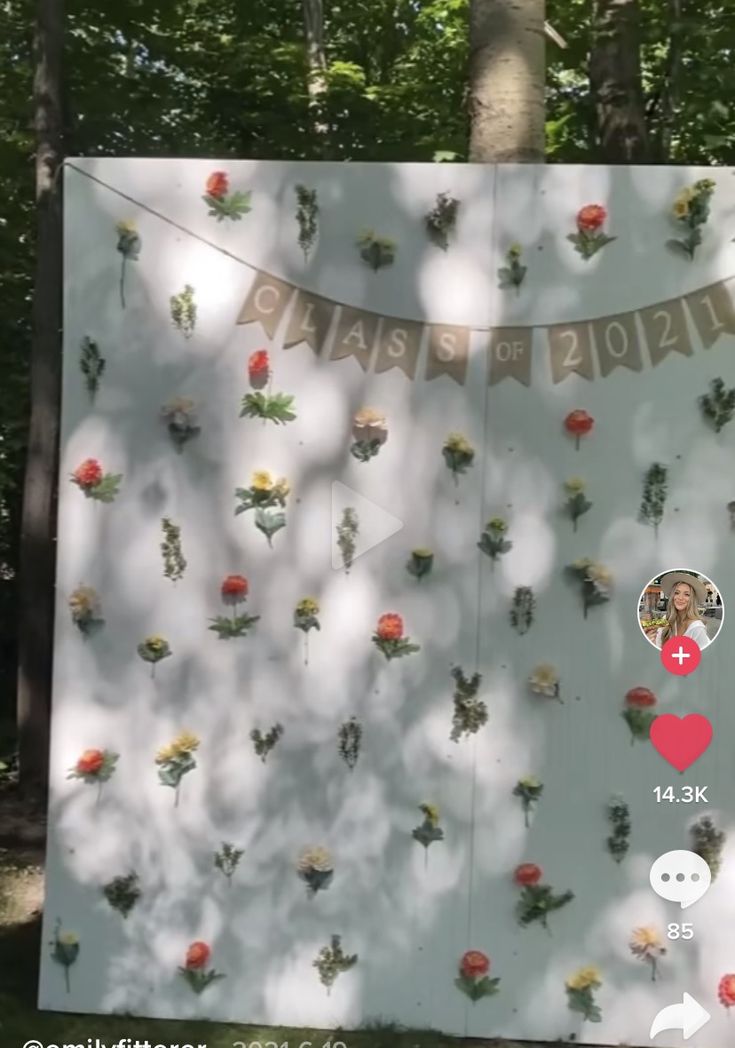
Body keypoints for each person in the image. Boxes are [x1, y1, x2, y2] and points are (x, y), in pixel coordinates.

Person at [654, 572, 710, 650]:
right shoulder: (665, 619)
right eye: (677, 593)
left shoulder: (697, 628)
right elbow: (658, 645)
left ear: (692, 599)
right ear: (672, 596)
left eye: (687, 594)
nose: (680, 598)